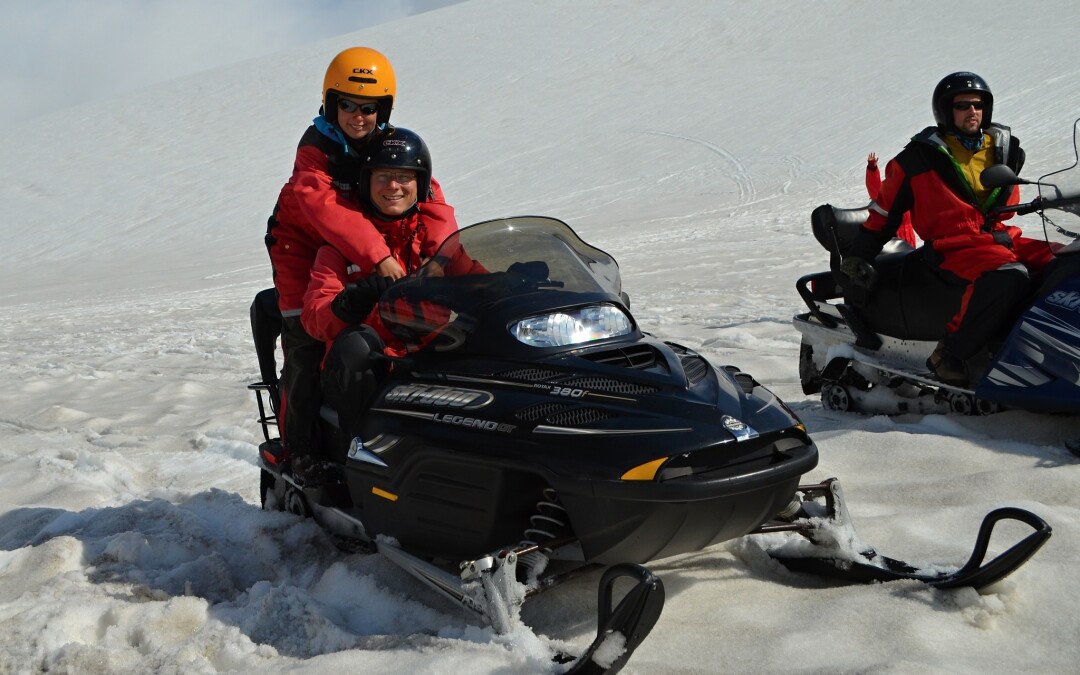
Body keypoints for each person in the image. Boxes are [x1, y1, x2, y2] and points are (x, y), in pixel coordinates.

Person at [264, 47, 456, 482]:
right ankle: (302, 449)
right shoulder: (315, 149)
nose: (358, 115)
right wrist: (380, 257)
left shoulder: (388, 144)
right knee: (304, 341)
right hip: (302, 245)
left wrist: (442, 260)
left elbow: (432, 202)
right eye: (347, 104)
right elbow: (326, 209)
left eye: (369, 107)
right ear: (331, 104)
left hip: (357, 242)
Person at [841, 72, 1056, 387]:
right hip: (953, 247)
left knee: (1064, 260)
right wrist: (859, 255)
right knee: (1007, 274)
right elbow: (884, 213)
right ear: (945, 110)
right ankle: (950, 352)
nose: (973, 111)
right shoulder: (917, 159)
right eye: (963, 105)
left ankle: (1050, 348)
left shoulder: (1003, 148)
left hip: (1001, 238)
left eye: (979, 105)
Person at [301, 127, 458, 471]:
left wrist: (515, 278)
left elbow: (473, 277)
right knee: (357, 346)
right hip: (365, 370)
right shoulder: (339, 249)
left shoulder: (436, 245)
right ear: (365, 183)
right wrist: (348, 304)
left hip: (425, 356)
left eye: (404, 177)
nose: (393, 186)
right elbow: (315, 316)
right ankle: (365, 468)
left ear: (421, 184)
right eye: (383, 176)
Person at [865, 152, 916, 247]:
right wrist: (872, 169)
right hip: (894, 240)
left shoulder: (907, 188)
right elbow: (875, 190)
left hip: (909, 238)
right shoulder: (887, 192)